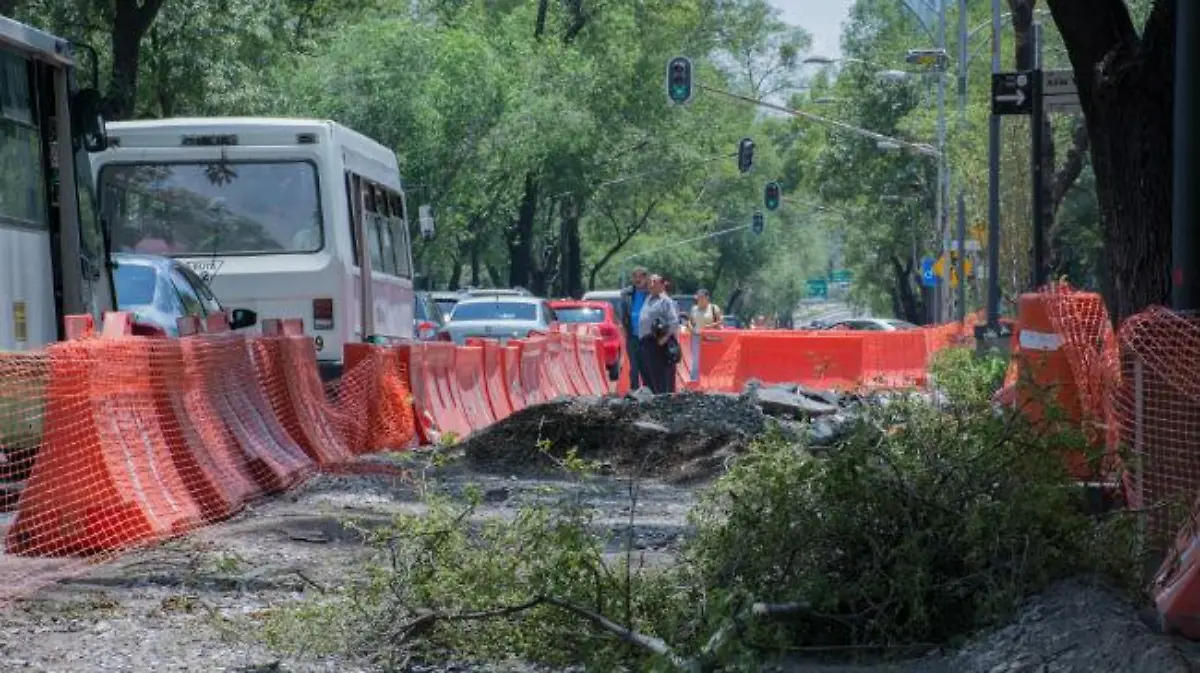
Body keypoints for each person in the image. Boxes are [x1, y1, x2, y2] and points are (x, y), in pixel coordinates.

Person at [637, 274, 681, 394]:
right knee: (647, 376)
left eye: (654, 282)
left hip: (659, 343)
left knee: (661, 378)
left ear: (662, 285)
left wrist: (664, 338)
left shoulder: (666, 301)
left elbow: (674, 322)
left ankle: (663, 401)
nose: (651, 285)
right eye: (649, 282)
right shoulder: (648, 299)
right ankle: (652, 401)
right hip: (645, 342)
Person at [620, 266, 650, 389]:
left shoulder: (651, 292)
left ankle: (649, 390)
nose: (638, 279)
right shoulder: (626, 293)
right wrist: (624, 329)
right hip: (632, 335)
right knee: (634, 367)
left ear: (646, 278)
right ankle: (634, 391)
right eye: (635, 276)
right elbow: (623, 314)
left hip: (648, 336)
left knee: (647, 365)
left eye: (641, 276)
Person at [687, 289, 723, 382]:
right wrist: (690, 327)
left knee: (710, 359)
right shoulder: (694, 309)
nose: (699, 299)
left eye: (702, 297)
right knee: (696, 359)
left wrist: (709, 326)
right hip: (696, 336)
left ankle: (712, 379)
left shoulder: (713, 308)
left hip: (710, 338)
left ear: (707, 298)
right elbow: (690, 321)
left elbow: (720, 321)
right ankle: (694, 380)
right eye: (698, 297)